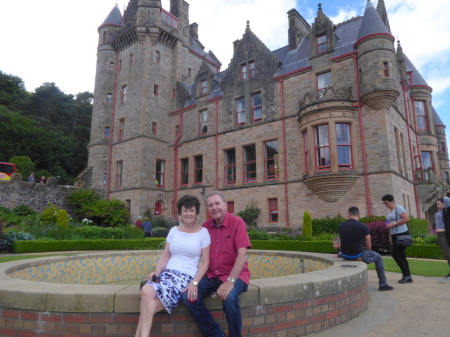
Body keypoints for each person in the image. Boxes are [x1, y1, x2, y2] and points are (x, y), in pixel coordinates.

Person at [134, 195, 210, 337]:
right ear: (180, 213)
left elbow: (206, 262)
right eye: (185, 210)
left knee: (146, 305)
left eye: (191, 210)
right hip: (168, 272)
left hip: (185, 276)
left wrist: (195, 282)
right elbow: (166, 255)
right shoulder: (174, 231)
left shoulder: (203, 233)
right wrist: (156, 271)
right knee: (146, 290)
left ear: (197, 213)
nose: (188, 214)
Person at [181, 191, 251, 337]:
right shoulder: (205, 227)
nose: (214, 207)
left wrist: (230, 282)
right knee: (188, 296)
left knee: (230, 298)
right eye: (210, 205)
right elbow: (191, 252)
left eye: (217, 203)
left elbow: (242, 254)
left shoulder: (237, 222)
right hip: (212, 275)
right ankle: (215, 334)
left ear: (225, 205)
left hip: (235, 275)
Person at [339, 206, 393, 291]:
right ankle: (383, 284)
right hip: (357, 255)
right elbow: (368, 245)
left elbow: (343, 241)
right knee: (378, 257)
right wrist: (367, 252)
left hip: (345, 255)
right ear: (359, 215)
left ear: (348, 214)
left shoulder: (341, 225)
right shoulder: (363, 226)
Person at [382, 194, 412, 283]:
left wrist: (394, 224)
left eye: (387, 203)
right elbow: (390, 224)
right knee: (402, 256)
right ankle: (408, 276)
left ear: (392, 201)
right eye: (384, 203)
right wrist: (390, 235)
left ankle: (406, 275)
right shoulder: (390, 211)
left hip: (402, 234)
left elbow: (406, 219)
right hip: (395, 235)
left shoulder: (399, 208)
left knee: (395, 254)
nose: (386, 205)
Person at [435, 198, 450, 278]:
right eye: (437, 204)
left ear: (444, 204)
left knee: (448, 254)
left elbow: (447, 200)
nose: (437, 206)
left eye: (439, 204)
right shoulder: (439, 212)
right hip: (439, 234)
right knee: (446, 254)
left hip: (444, 234)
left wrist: (446, 195)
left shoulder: (446, 211)